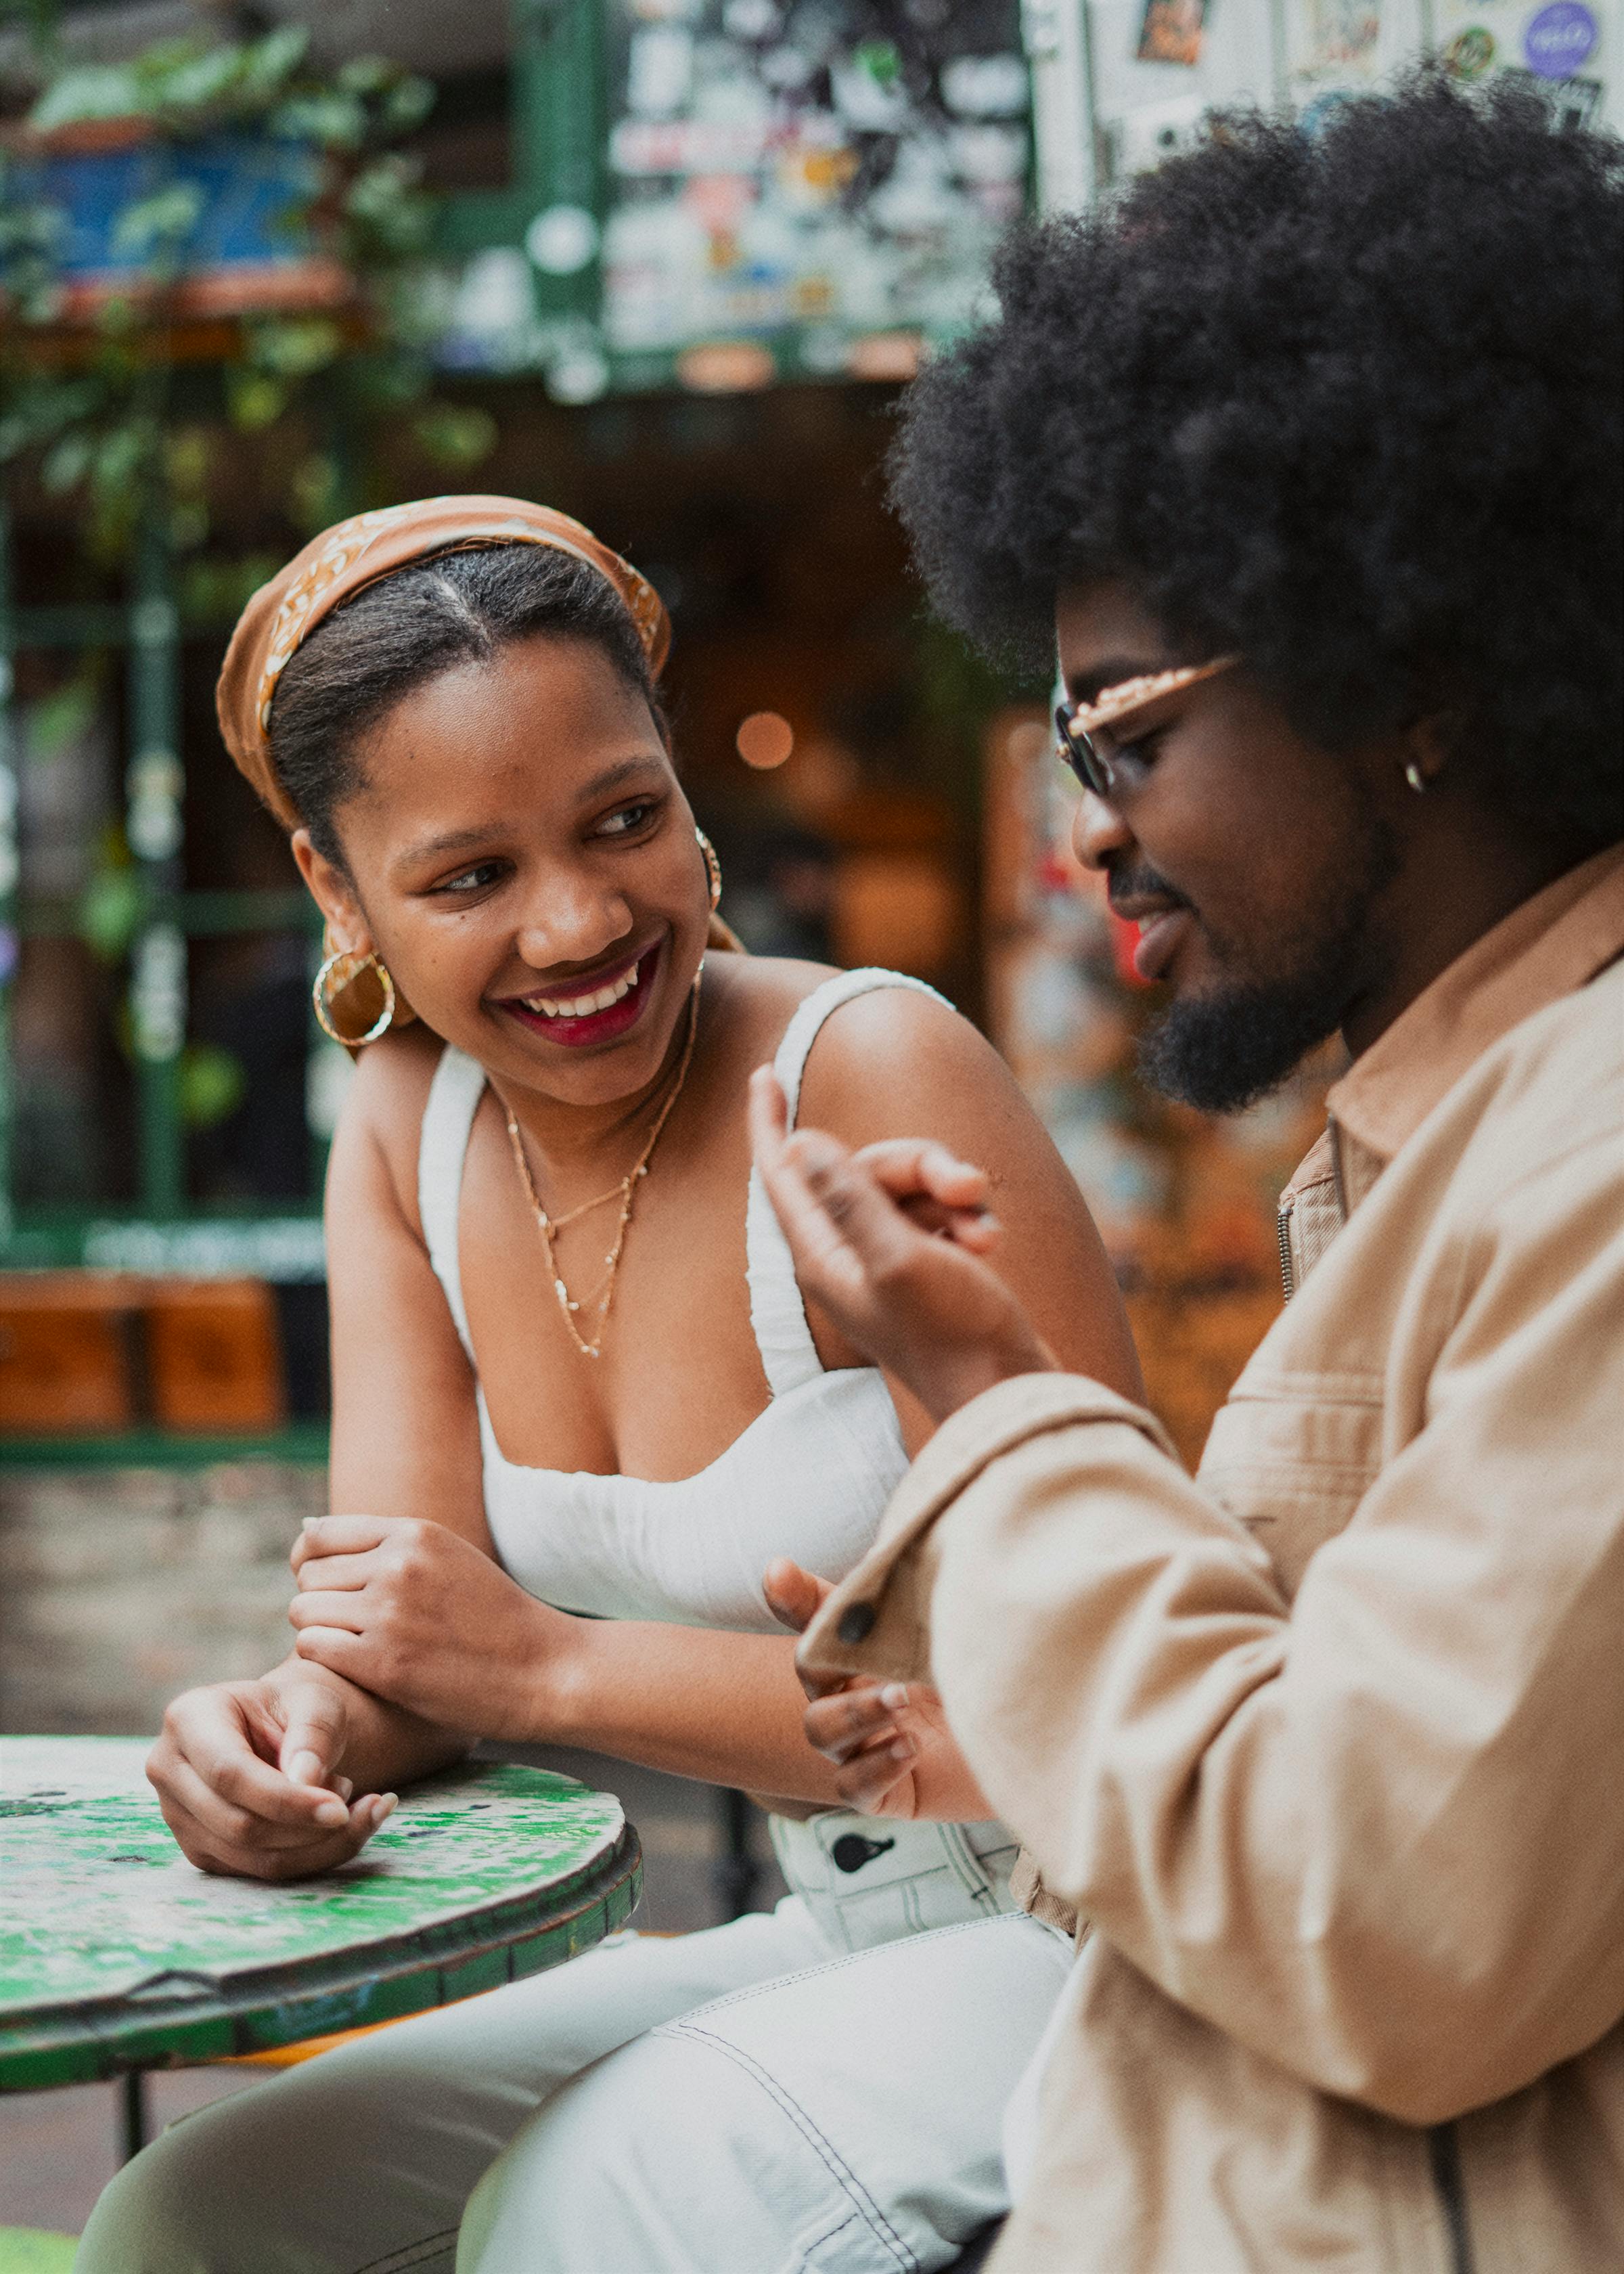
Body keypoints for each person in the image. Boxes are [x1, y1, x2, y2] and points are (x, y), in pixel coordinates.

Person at [743, 74, 1624, 2274]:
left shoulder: (1592, 1152)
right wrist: (1005, 1720)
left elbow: (1378, 1919)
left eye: (1127, 735)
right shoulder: (1455, 1129)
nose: (1086, 839)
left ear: (1406, 668)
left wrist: (1005, 1417)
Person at [78, 497, 1139, 2272]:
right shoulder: (406, 1129)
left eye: (624, 820)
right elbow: (413, 1662)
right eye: (471, 876)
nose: (578, 926)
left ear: (683, 789)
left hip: (1109, 1930)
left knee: (581, 2214)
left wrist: (550, 1666)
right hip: (856, 1929)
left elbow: (1099, 1693)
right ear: (339, 895)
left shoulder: (865, 1067)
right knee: (195, 2215)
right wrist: (293, 1746)